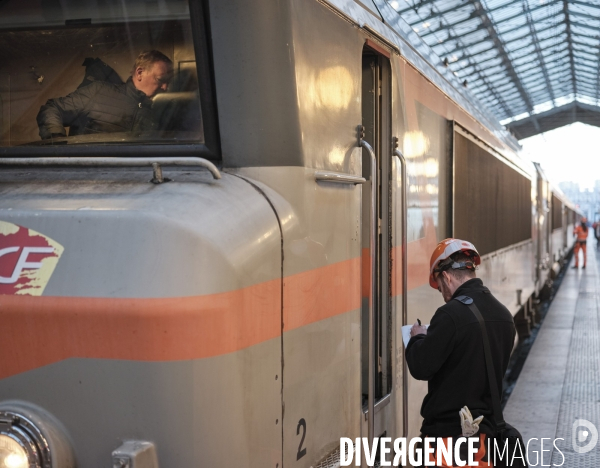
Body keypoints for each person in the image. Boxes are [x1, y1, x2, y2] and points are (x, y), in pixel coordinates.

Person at [406, 238, 516, 467]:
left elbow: (421, 366)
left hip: (448, 442)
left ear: (445, 276)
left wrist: (417, 338)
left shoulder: (449, 315)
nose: (442, 293)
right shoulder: (504, 316)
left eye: (439, 285)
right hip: (485, 441)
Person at [37, 50, 173, 140]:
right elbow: (53, 108)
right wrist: (57, 144)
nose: (165, 87)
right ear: (139, 73)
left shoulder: (157, 113)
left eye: (167, 82)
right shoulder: (98, 92)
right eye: (160, 80)